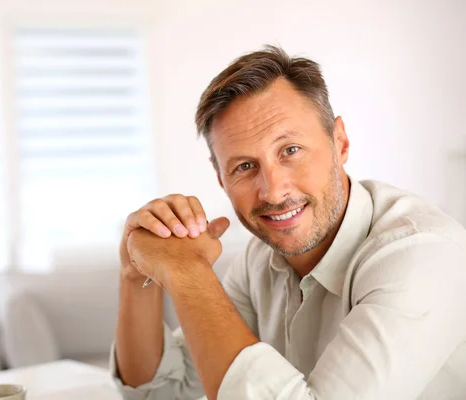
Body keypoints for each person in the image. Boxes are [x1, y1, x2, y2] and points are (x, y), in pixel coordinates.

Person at [109, 45, 466, 400]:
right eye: (244, 166)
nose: (273, 192)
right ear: (221, 180)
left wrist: (189, 272)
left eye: (290, 150)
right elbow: (162, 393)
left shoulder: (423, 254)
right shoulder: (258, 261)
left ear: (339, 143)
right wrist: (136, 272)